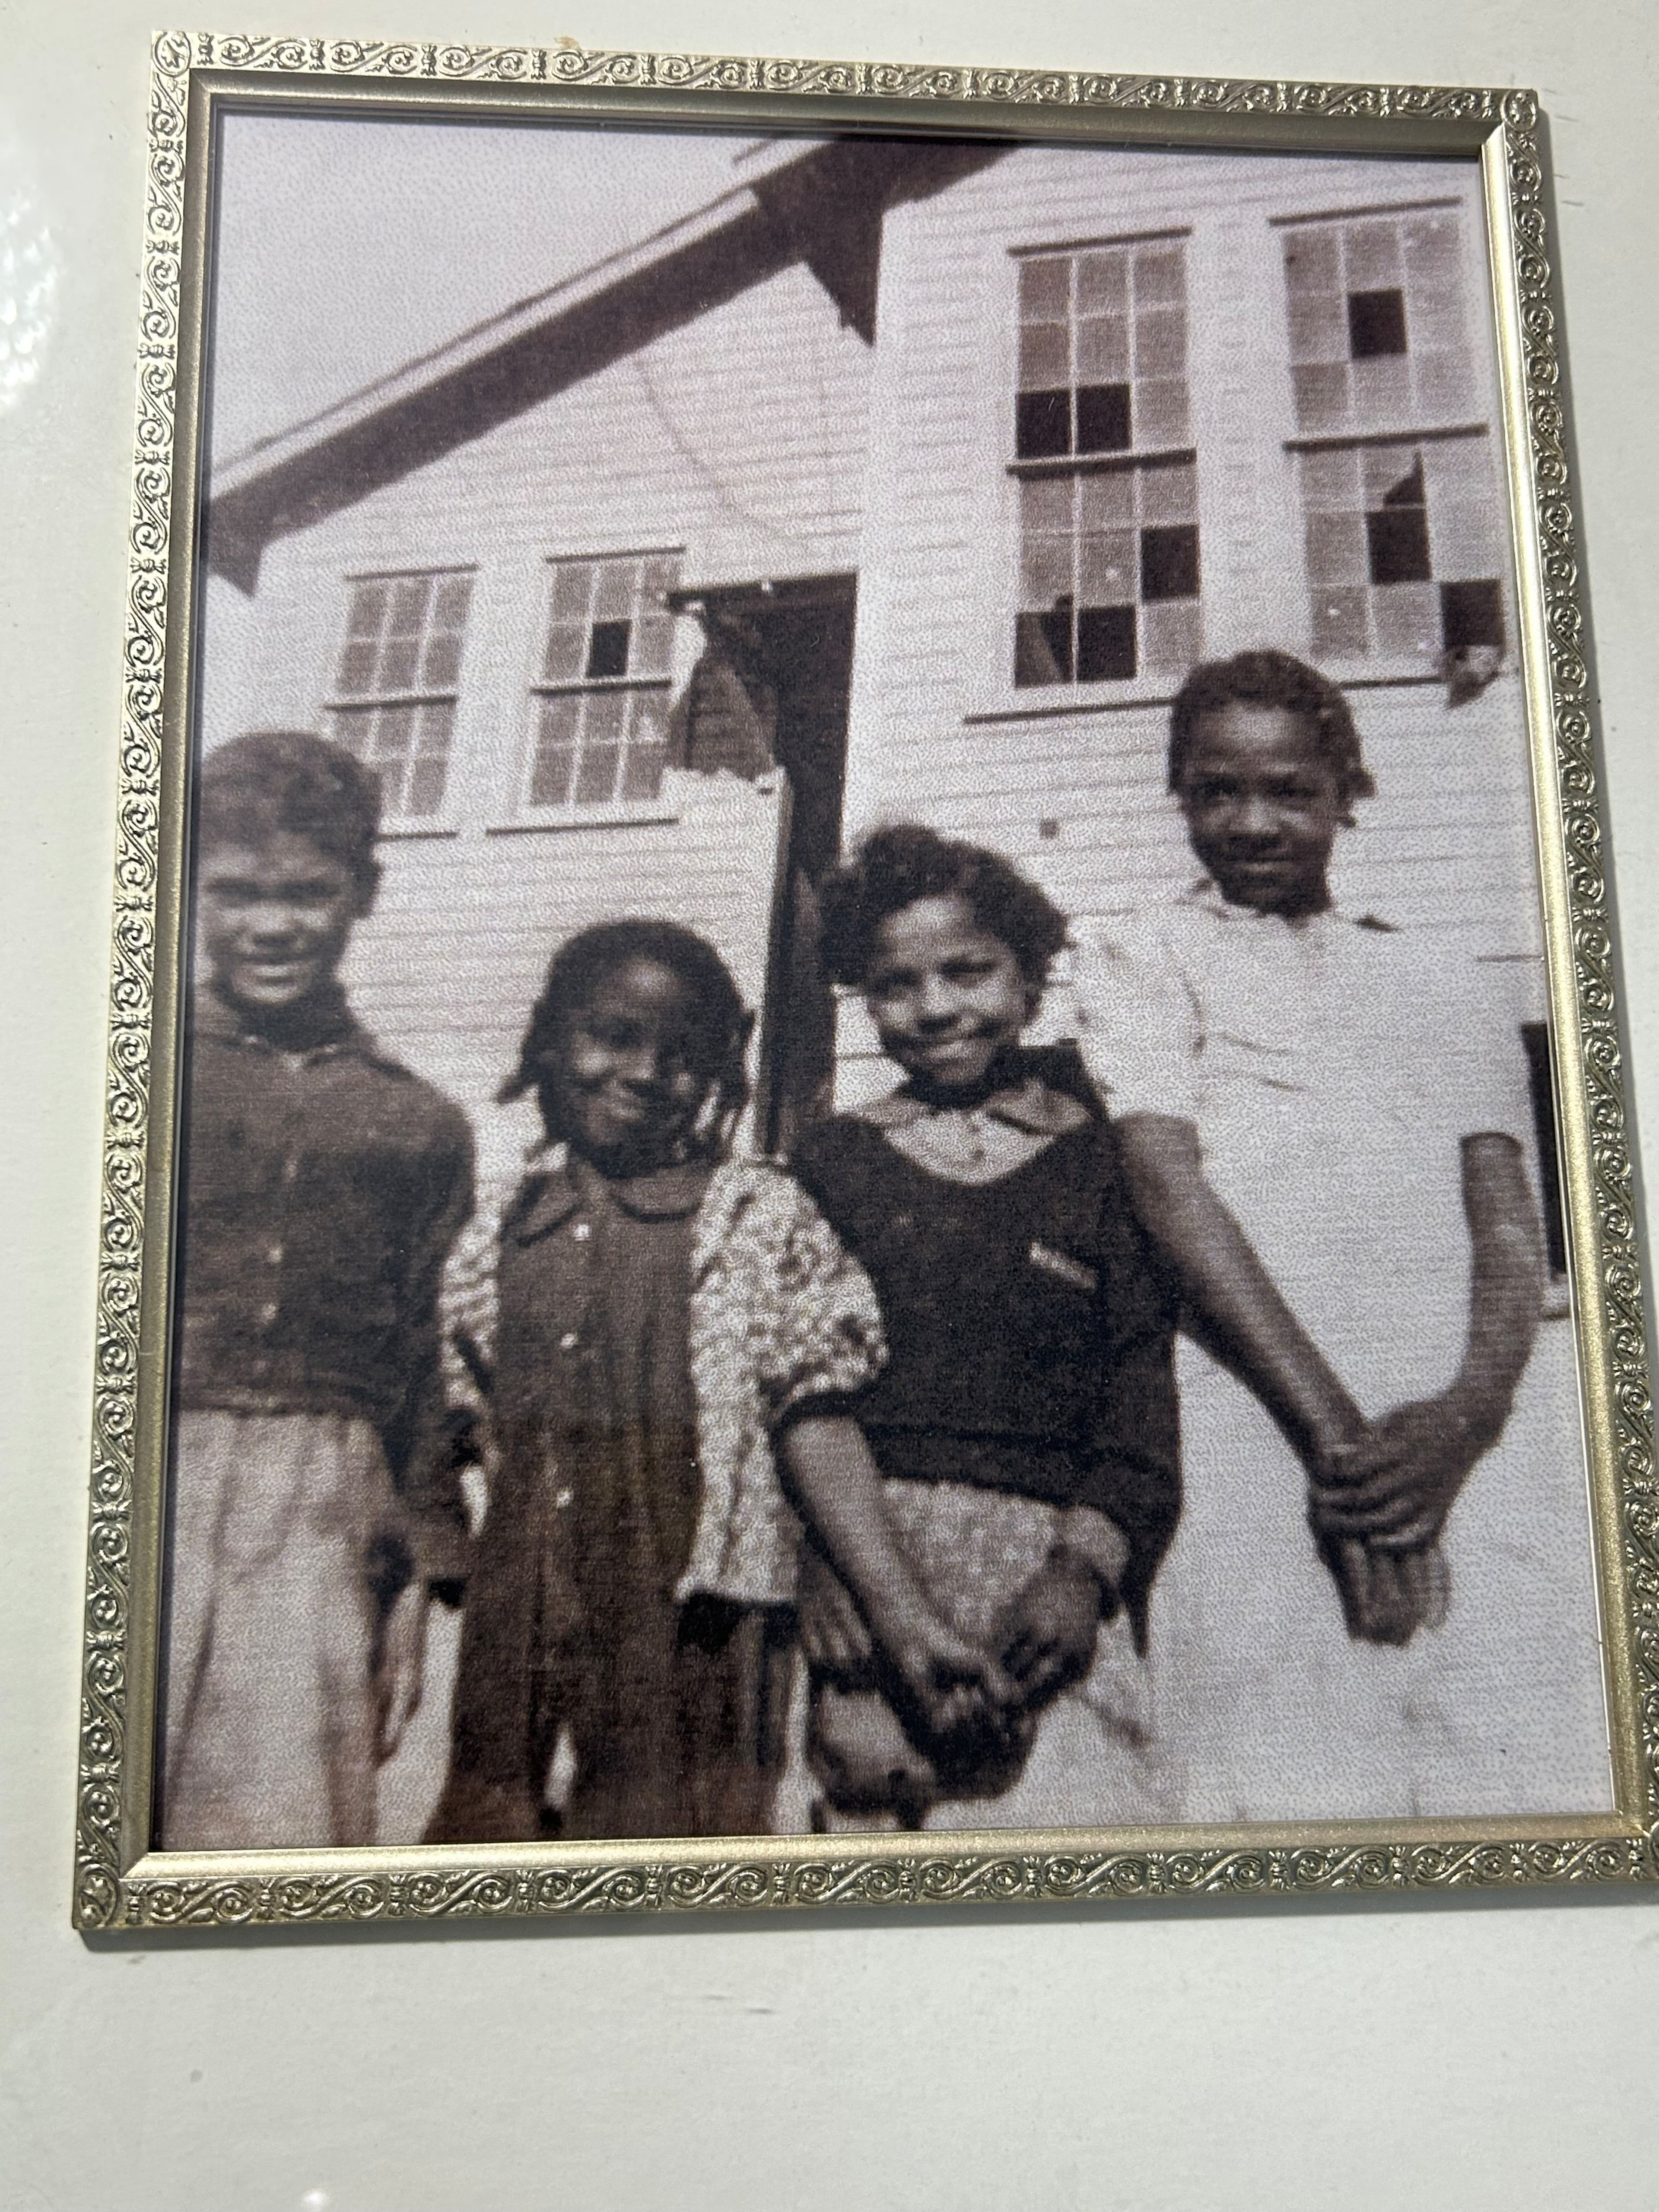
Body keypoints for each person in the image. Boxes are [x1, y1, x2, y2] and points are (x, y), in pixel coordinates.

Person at [1074, 648, 1611, 1819]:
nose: (1253, 823)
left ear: (1346, 796)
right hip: (1257, 1418)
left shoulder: (1434, 974)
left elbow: (1509, 1224)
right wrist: (1344, 1451)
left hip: (1457, 1430)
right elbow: (1171, 1188)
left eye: (1291, 792)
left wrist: (1465, 1418)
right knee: (1277, 1763)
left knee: (1495, 1753)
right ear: (1181, 795)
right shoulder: (1138, 957)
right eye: (1217, 791)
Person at [425, 920, 887, 1843]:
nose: (644, 1072)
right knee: (491, 1822)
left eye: (681, 1055)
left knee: (666, 1834)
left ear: (718, 1071)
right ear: (551, 1040)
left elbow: (822, 1398)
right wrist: (441, 1520)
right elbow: (449, 1392)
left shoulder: (756, 1212)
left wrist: (828, 1563)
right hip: (522, 1601)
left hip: (687, 1608)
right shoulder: (505, 1224)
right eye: (612, 1037)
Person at [775, 826, 1185, 1831]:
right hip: (871, 1564)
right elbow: (789, 1390)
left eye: (969, 971)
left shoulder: (1101, 1163)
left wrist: (1082, 1572)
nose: (936, 1008)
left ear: (1032, 981)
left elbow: (1140, 1388)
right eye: (896, 985)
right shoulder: (832, 1161)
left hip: (1041, 1572)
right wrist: (820, 1566)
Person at [160, 730, 475, 1850]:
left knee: (274, 1843)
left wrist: (413, 1581)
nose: (271, 923)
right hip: (139, 1479)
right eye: (235, 892)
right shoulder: (135, 1078)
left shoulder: (415, 1123)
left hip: (321, 1513)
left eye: (307, 892)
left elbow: (424, 1363)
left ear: (365, 893)